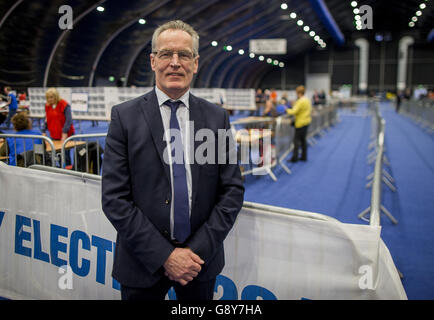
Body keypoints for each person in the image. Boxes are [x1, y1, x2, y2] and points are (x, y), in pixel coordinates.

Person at [101, 20, 244, 301]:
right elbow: (114, 198)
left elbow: (231, 191)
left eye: (184, 55)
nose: (175, 63)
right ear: (153, 61)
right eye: (166, 54)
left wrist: (194, 253)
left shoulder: (216, 118)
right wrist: (165, 255)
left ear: (196, 63)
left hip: (198, 265)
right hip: (141, 264)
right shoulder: (124, 117)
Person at [42, 88, 74, 165]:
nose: (49, 99)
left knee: (65, 155)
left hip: (66, 134)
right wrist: (43, 131)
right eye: (48, 97)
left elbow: (68, 120)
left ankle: (68, 170)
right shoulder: (48, 106)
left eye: (51, 97)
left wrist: (64, 132)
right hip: (54, 134)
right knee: (57, 154)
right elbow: (47, 118)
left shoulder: (64, 104)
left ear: (56, 96)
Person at [286, 85, 312, 162]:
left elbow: (294, 111)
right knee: (303, 141)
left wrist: (286, 109)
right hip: (306, 122)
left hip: (300, 123)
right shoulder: (307, 100)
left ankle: (295, 158)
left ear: (299, 93)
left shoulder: (300, 101)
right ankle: (304, 156)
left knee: (296, 141)